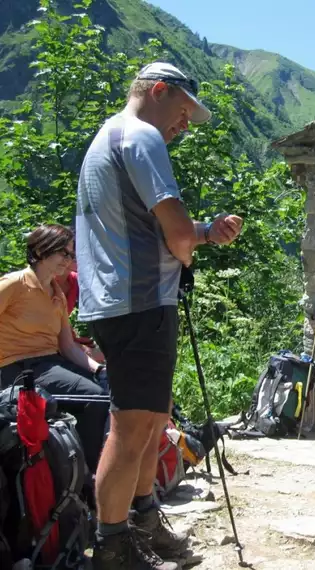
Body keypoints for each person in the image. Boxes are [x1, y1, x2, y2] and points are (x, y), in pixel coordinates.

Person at [76, 62, 243, 570]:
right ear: (160, 91)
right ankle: (112, 546)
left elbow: (152, 227)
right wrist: (190, 243)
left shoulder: (113, 135)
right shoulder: (142, 136)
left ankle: (144, 520)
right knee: (130, 431)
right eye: (184, 111)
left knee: (152, 421)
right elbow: (173, 234)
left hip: (127, 298)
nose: (185, 125)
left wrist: (204, 231)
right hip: (139, 301)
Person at [0, 225, 109, 474]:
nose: (69, 260)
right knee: (94, 397)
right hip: (18, 368)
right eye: (63, 252)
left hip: (51, 363)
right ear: (39, 250)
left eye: (71, 254)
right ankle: (89, 477)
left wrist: (99, 370)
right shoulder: (15, 283)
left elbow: (68, 346)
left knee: (109, 387)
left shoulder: (57, 294)